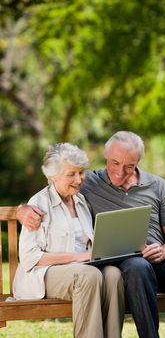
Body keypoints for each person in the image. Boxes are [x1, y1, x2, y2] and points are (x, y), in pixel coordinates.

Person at [16, 132, 165, 338]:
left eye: (129, 166)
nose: (120, 172)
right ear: (106, 157)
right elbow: (54, 190)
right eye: (115, 163)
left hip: (159, 260)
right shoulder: (88, 182)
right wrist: (21, 210)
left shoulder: (156, 185)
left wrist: (163, 250)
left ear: (138, 161)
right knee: (138, 267)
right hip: (127, 263)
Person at [13, 143, 125, 338]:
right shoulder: (38, 204)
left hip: (84, 268)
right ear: (52, 176)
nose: (79, 179)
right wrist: (78, 257)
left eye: (81, 173)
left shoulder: (81, 202)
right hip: (45, 275)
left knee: (114, 274)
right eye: (71, 174)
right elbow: (30, 257)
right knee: (88, 275)